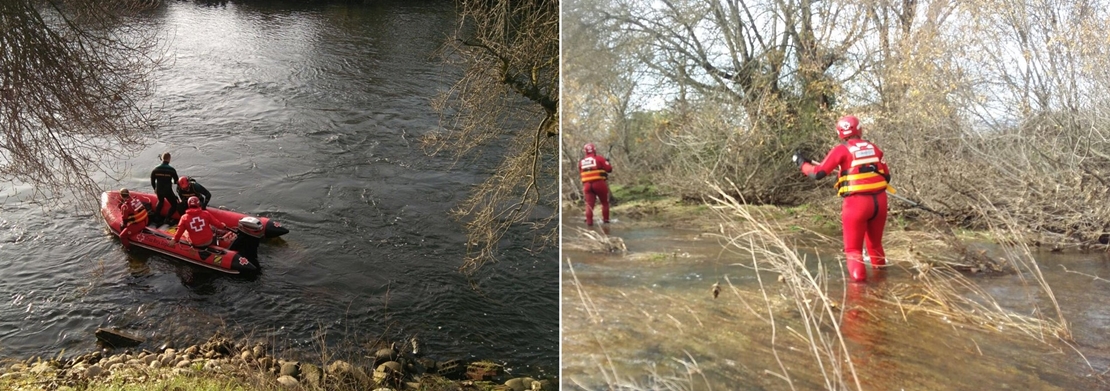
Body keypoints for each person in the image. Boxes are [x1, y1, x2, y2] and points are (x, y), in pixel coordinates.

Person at [793, 115, 891, 282]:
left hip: (856, 204)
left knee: (853, 250)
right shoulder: (874, 148)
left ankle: (858, 293)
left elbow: (817, 173)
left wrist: (801, 163)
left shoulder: (841, 150)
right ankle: (882, 285)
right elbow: (886, 177)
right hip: (880, 202)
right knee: (875, 246)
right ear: (859, 129)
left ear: (840, 132)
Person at [579, 142, 613, 227]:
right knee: (604, 203)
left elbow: (582, 173)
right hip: (599, 184)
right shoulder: (599, 158)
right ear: (594, 150)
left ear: (585, 151)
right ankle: (606, 221)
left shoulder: (581, 162)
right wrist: (606, 163)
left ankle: (589, 224)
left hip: (587, 186)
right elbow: (609, 169)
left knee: (589, 205)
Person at [150, 152, 179, 224]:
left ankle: (156, 217)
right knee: (174, 204)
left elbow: (152, 181)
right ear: (169, 159)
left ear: (162, 159)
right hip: (168, 190)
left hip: (159, 190)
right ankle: (167, 218)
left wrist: (155, 189)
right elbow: (176, 181)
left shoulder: (155, 169)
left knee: (160, 201)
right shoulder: (172, 170)